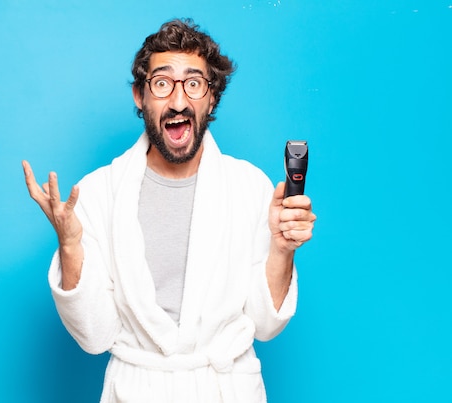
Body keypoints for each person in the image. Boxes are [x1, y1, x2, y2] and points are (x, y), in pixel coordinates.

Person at [22, 18, 316, 403]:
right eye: (162, 83)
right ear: (140, 96)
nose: (179, 101)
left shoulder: (249, 187)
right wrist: (71, 247)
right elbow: (95, 337)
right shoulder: (98, 194)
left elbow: (264, 326)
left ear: (212, 97)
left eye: (194, 83)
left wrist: (282, 248)